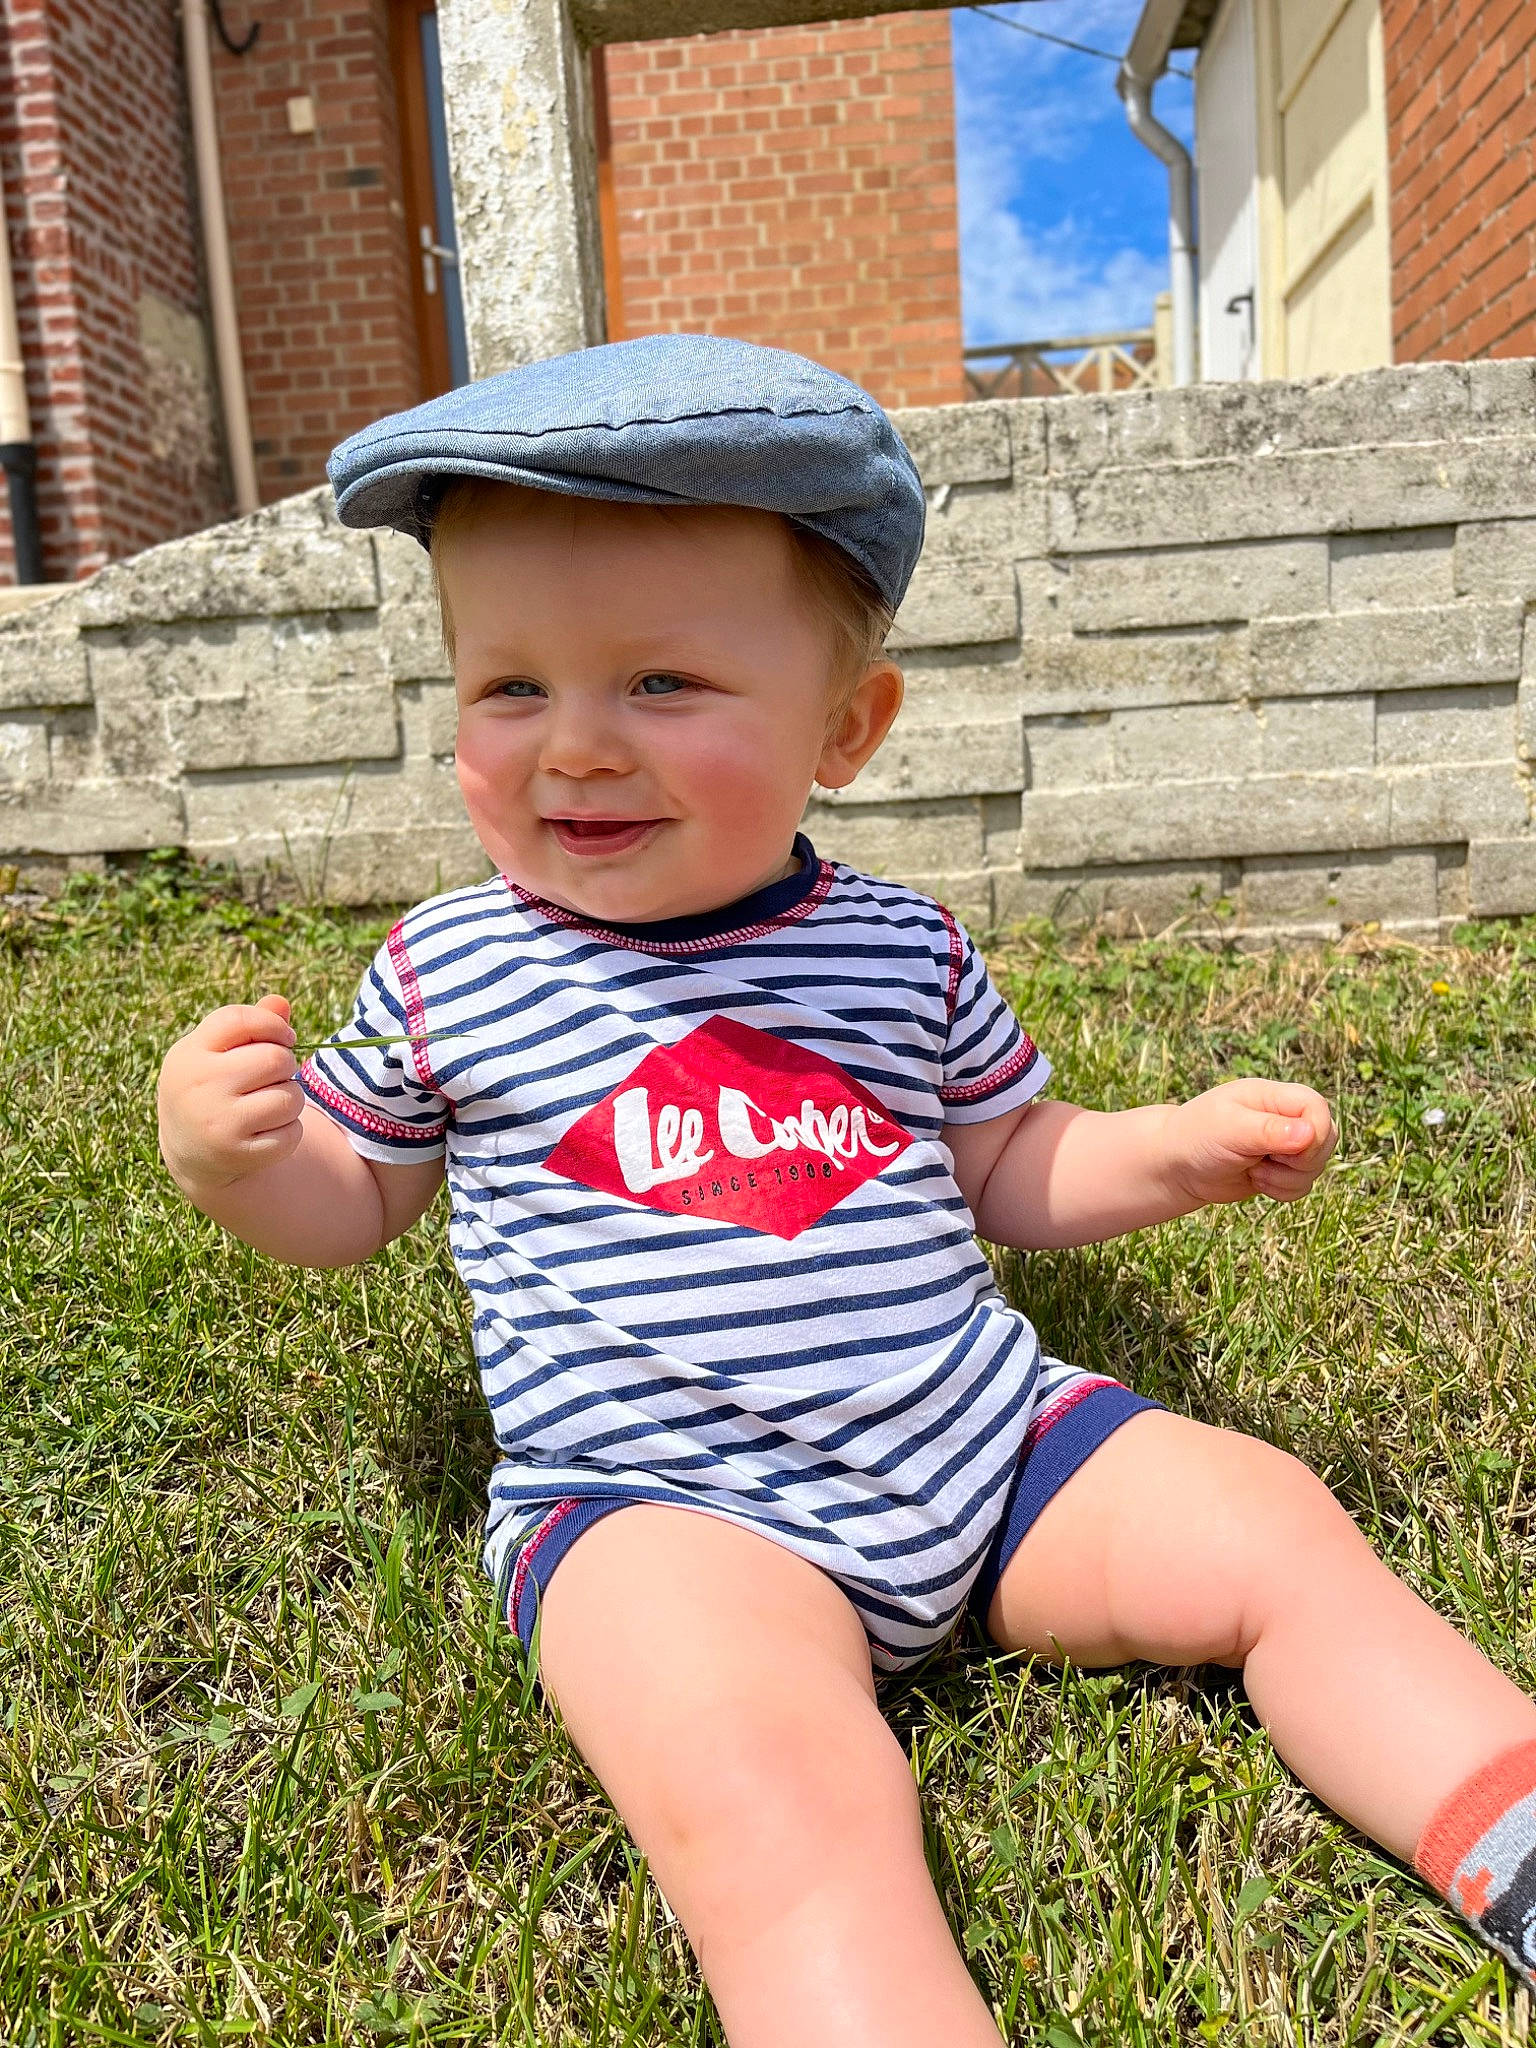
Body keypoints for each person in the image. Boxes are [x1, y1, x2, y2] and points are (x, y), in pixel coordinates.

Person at [157, 334, 1536, 2045]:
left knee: (1274, 1526)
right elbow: (354, 1199)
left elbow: (1004, 1159)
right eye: (508, 687)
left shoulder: (899, 949)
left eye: (660, 683)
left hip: (986, 1446)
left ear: (846, 729)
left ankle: (1510, 1826)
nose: (574, 746)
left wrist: (1166, 1150)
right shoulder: (455, 972)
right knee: (775, 1795)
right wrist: (246, 1161)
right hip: (665, 1514)